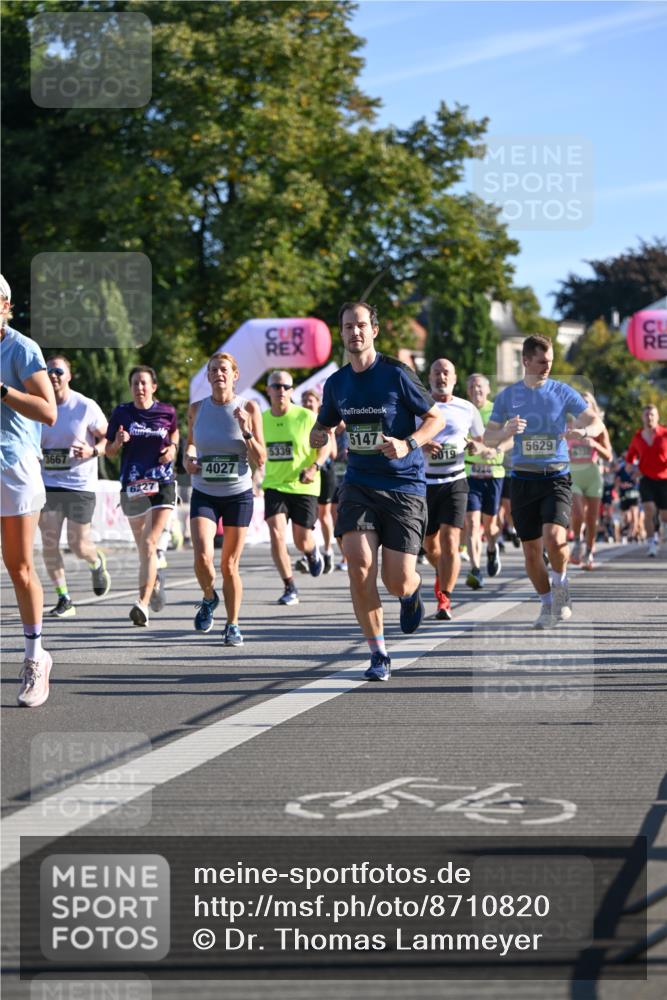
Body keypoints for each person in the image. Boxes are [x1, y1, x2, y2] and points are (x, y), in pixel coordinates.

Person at [310, 302, 445, 681]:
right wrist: (318, 434)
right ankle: (378, 653)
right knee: (359, 564)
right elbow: (324, 426)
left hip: (404, 485)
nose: (355, 332)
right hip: (359, 484)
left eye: (361, 325)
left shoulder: (397, 374)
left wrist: (409, 444)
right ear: (342, 333)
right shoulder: (336, 383)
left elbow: (436, 418)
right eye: (348, 326)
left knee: (396, 578)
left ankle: (410, 592)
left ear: (375, 330)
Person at [483, 335, 604, 628]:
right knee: (531, 552)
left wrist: (584, 433)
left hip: (556, 477)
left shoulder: (562, 392)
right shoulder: (508, 396)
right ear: (526, 361)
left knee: (554, 537)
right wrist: (506, 431)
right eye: (541, 362)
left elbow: (596, 421)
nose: (547, 366)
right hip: (523, 479)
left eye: (550, 361)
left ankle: (561, 582)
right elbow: (488, 437)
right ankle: (547, 603)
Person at [0, 273, 57, 707]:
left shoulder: (21, 348)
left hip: (14, 466)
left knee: (19, 567)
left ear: (5, 305)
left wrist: (2, 391)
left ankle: (36, 657)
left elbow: (48, 411)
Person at [185, 352, 266, 645]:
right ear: (208, 376)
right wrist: (188, 459)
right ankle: (209, 597)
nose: (219, 374)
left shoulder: (249, 407)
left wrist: (246, 431)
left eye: (224, 370)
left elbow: (261, 458)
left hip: (237, 494)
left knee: (229, 564)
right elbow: (191, 446)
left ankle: (232, 624)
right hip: (204, 490)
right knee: (203, 557)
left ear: (235, 375)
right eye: (214, 370)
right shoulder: (196, 409)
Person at [106, 366, 179, 626]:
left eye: (144, 383)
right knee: (144, 551)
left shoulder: (167, 411)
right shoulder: (121, 412)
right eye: (135, 383)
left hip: (162, 483)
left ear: (154, 387)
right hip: (133, 484)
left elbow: (174, 434)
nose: (139, 388)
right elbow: (109, 451)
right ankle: (155, 579)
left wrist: (173, 449)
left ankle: (142, 604)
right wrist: (117, 441)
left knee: (149, 543)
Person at [39, 354, 111, 616]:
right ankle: (64, 598)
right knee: (49, 543)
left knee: (79, 545)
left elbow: (107, 439)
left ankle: (95, 562)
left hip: (80, 485)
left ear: (69, 375)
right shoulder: (38, 406)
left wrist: (93, 452)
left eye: (58, 370)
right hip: (47, 482)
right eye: (49, 371)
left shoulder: (85, 406)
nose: (53, 375)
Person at [421, 358, 484, 621]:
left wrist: (474, 448)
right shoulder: (419, 406)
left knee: (450, 540)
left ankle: (444, 599)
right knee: (430, 546)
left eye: (446, 372)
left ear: (455, 378)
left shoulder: (467, 408)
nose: (441, 377)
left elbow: (480, 441)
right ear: (430, 378)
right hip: (424, 484)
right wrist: (421, 444)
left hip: (455, 481)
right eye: (436, 372)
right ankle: (443, 571)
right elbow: (406, 439)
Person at [262, 370, 329, 605]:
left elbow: (325, 447)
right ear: (268, 390)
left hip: (304, 485)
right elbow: (256, 451)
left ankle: (311, 552)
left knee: (301, 540)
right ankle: (289, 586)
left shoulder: (307, 417)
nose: (281, 390)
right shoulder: (261, 419)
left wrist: (314, 467)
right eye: (276, 386)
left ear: (291, 391)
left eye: (286, 387)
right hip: (274, 485)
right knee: (277, 534)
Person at [464, 373, 506, 589]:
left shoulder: (497, 411)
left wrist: (495, 449)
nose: (476, 390)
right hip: (469, 472)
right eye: (471, 387)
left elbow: (510, 438)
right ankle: (475, 569)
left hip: (493, 473)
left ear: (488, 390)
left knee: (490, 526)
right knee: (471, 523)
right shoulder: (463, 410)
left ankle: (491, 548)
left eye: (479, 386)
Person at [566, 391, 612, 570]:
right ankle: (577, 542)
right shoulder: (569, 425)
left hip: (592, 474)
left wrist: (595, 445)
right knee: (577, 513)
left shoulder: (599, 427)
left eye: (587, 404)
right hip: (574, 474)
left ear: (593, 408)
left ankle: (589, 551)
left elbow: (608, 455)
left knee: (592, 519)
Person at [296, 387, 337, 574]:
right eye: (304, 400)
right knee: (308, 515)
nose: (307, 404)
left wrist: (327, 435)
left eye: (310, 400)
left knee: (324, 513)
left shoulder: (325, 422)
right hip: (304, 473)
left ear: (317, 403)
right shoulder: (298, 421)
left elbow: (334, 452)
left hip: (325, 470)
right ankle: (308, 553)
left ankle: (328, 550)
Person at [625, 403, 667, 557]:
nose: (649, 417)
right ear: (642, 417)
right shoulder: (637, 437)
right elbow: (629, 460)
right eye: (646, 415)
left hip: (664, 479)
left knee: (664, 515)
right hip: (646, 478)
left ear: (657, 417)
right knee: (648, 510)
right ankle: (651, 544)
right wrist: (633, 470)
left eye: (652, 415)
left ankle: (663, 530)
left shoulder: (665, 434)